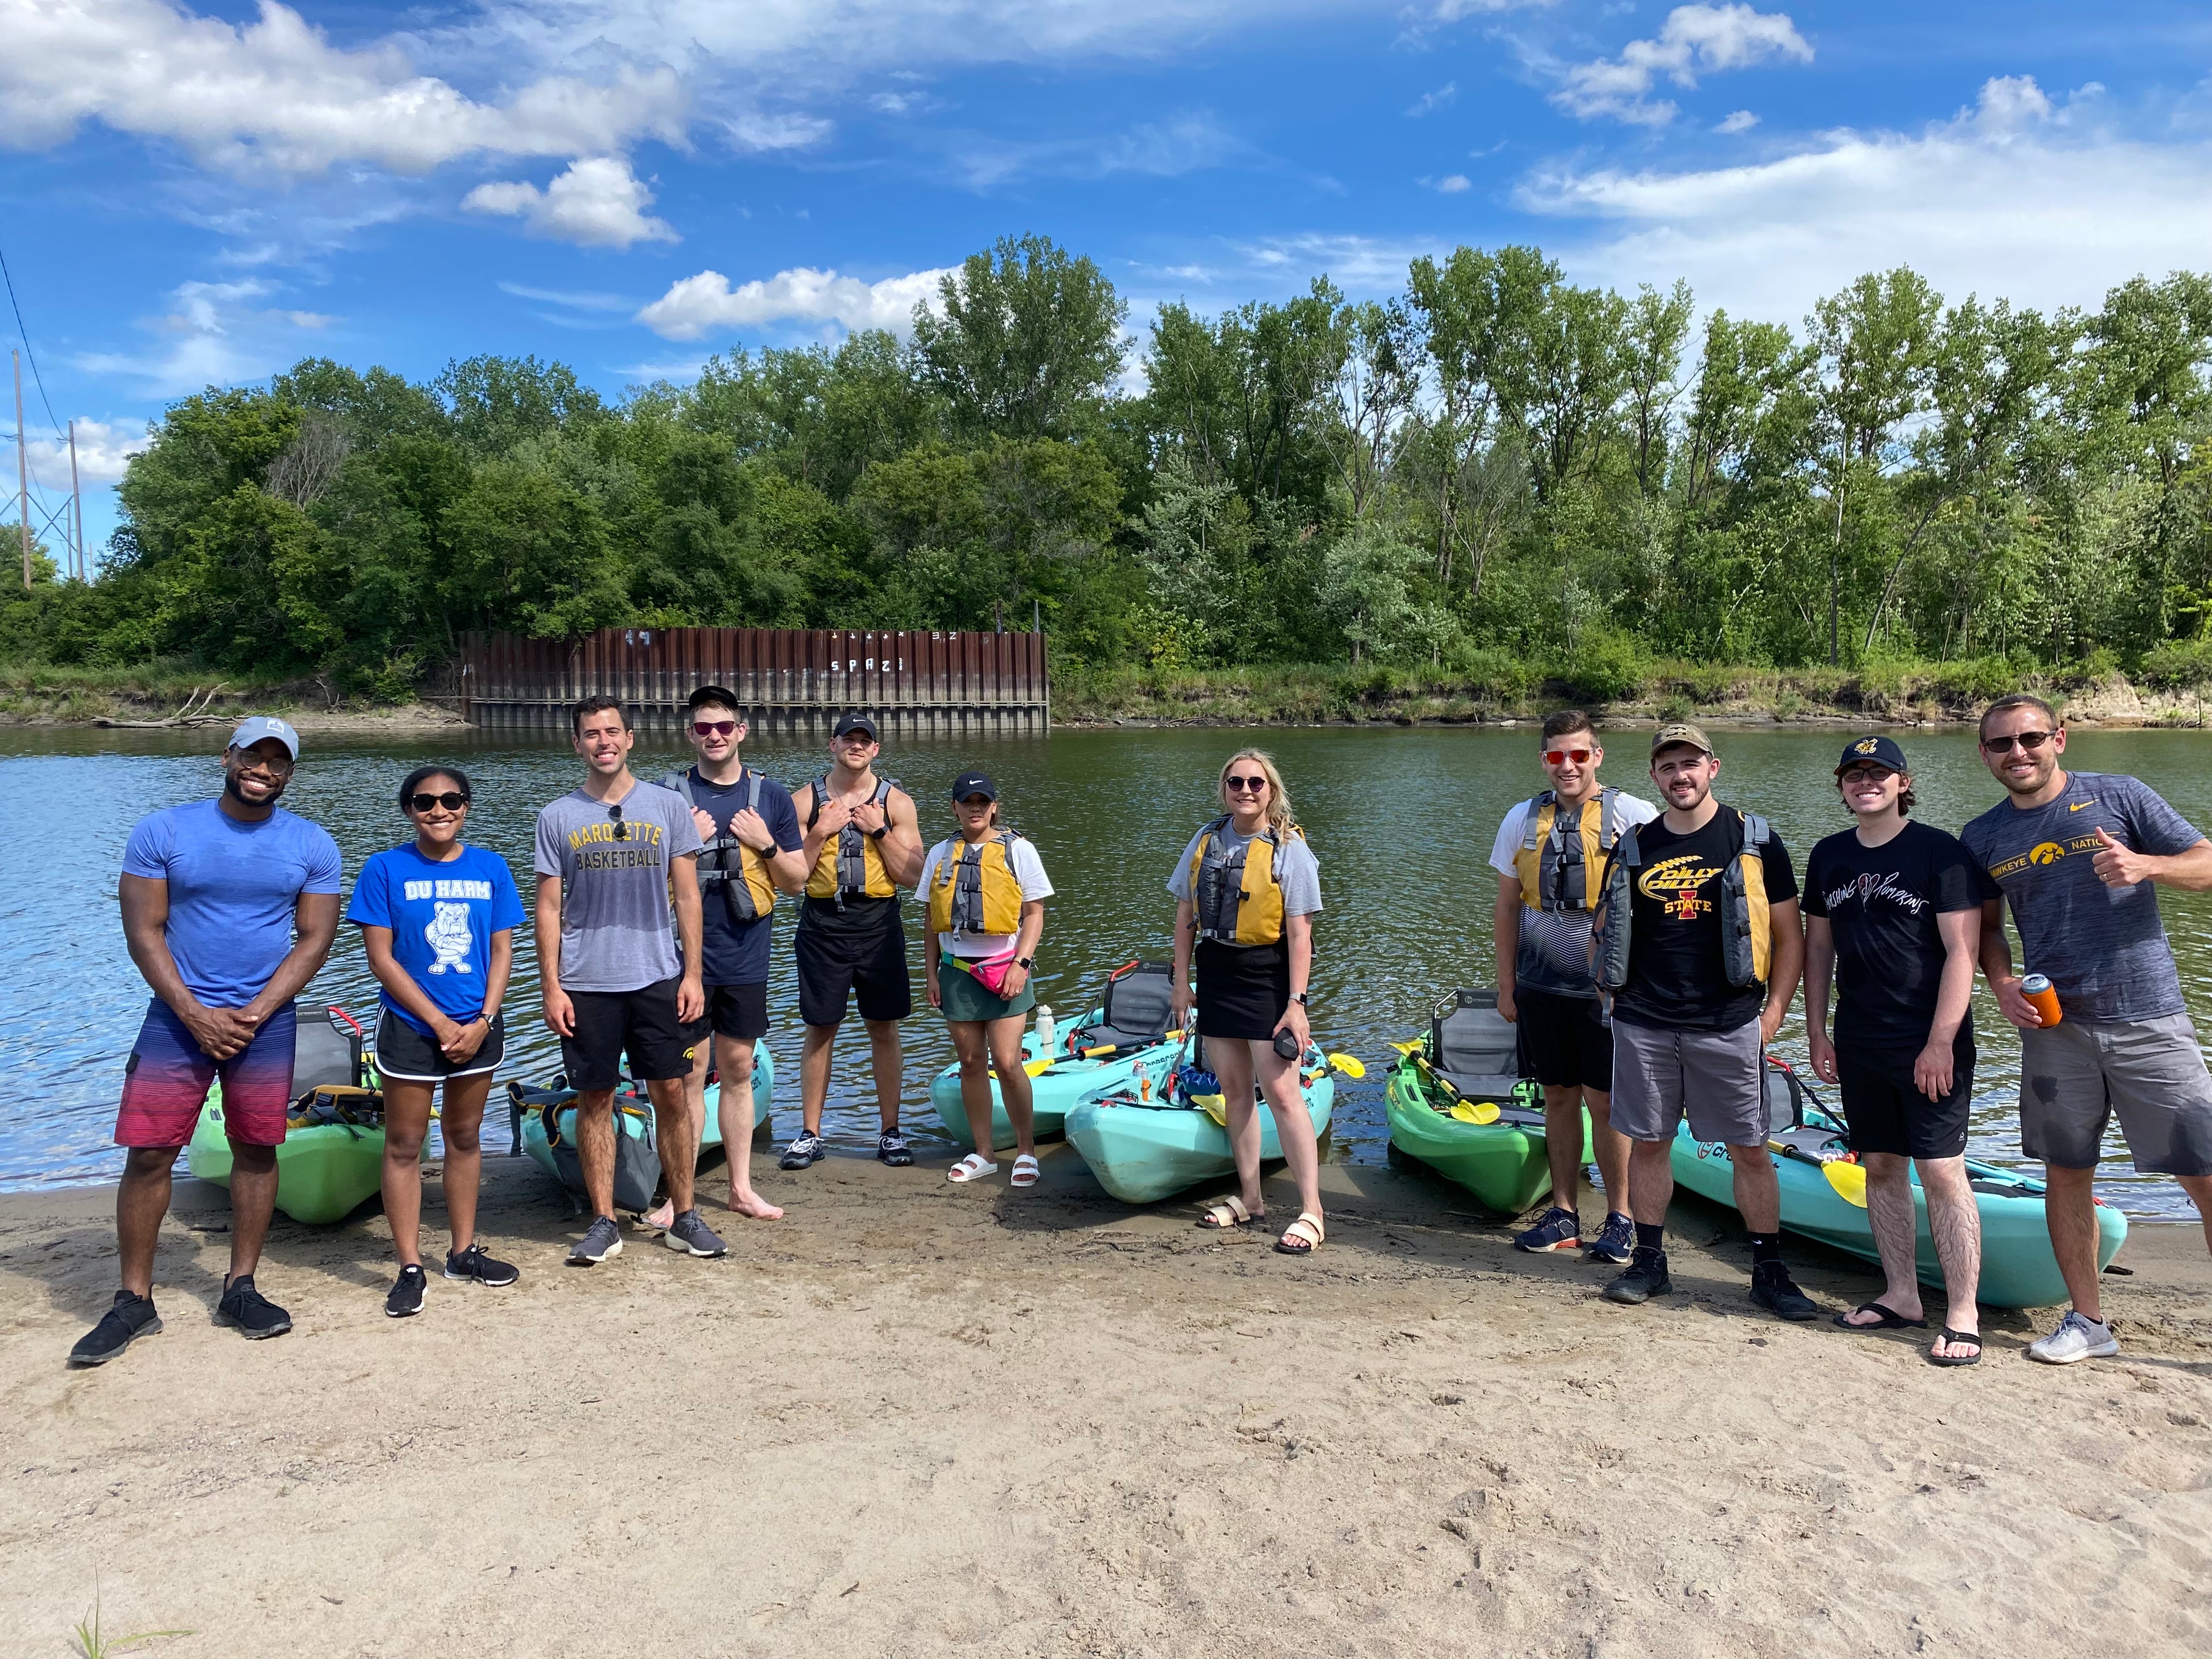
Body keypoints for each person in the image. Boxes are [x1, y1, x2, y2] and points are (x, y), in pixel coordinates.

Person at [70, 717, 342, 1366]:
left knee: (256, 1149)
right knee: (149, 1154)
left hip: (265, 1021)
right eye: (254, 756)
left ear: (289, 774)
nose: (263, 770)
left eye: (279, 762)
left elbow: (315, 939)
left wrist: (254, 1012)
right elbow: (145, 933)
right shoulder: (163, 831)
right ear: (229, 757)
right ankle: (134, 1300)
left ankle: (239, 1287)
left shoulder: (313, 844)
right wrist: (194, 1013)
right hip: (175, 1017)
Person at [1963, 693, 2212, 1364]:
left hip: (2148, 1018)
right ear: (1984, 755)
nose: (2018, 753)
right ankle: (2089, 1323)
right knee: (2066, 1172)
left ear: (2060, 740)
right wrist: (2003, 982)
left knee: (2206, 1170)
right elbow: (1987, 931)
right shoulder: (1982, 836)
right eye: (2002, 744)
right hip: (2056, 1031)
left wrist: (2148, 865)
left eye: (2031, 739)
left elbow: (2208, 862)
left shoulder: (2121, 796)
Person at [1590, 722, 1814, 1319]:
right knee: (1650, 1144)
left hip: (1730, 1020)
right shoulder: (1634, 844)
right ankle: (1649, 1262)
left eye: (1690, 763)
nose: (1680, 776)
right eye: (1668, 767)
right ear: (1654, 777)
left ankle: (1768, 1269)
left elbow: (1791, 939)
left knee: (1750, 1149)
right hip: (1645, 1020)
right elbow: (1605, 931)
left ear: (1713, 767)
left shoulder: (1754, 839)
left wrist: (1772, 1017)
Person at [1804, 737, 1991, 1365]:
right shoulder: (1828, 855)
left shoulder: (1940, 851)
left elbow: (1963, 952)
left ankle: (1963, 1310)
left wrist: (1940, 1041)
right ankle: (1902, 1295)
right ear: (1841, 787)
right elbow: (1819, 951)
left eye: (1878, 773)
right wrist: (1816, 1031)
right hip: (1859, 1038)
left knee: (1942, 1171)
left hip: (1929, 1040)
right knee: (1881, 1165)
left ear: (1903, 782)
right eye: (1854, 775)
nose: (1866, 783)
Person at [534, 694, 719, 1266]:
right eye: (591, 734)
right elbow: (546, 906)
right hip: (586, 980)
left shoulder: (667, 807)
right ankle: (602, 1221)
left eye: (612, 731)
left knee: (671, 1093)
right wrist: (551, 987)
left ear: (630, 738)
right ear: (578, 744)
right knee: (596, 1098)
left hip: (658, 975)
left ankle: (684, 1215)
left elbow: (687, 895)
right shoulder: (557, 816)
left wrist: (693, 973)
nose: (603, 742)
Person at [347, 766, 526, 1317]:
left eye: (451, 800)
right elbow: (382, 959)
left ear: (467, 806)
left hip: (478, 1025)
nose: (439, 810)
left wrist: (484, 1019)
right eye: (425, 802)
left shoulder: (491, 867)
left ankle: (463, 1251)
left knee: (465, 1135)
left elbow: (501, 952)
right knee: (404, 1144)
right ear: (409, 810)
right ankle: (409, 1265)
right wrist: (440, 1023)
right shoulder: (384, 869)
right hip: (410, 1026)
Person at [1488, 710, 1658, 1263]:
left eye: (1579, 755)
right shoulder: (1521, 817)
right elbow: (1508, 905)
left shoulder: (1633, 815)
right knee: (1557, 1096)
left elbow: (1661, 903)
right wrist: (1506, 986)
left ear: (1597, 757)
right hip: (1541, 985)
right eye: (1557, 756)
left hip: (1607, 988)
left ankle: (1621, 1218)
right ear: (1544, 759)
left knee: (1606, 1101)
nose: (1568, 766)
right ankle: (1563, 1213)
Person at [652, 688, 806, 1222]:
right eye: (702, 728)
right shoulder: (665, 797)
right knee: (690, 1073)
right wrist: (682, 840)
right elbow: (639, 881)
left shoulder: (772, 797)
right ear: (689, 734)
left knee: (738, 1067)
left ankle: (741, 1187)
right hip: (678, 961)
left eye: (723, 726)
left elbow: (796, 882)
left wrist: (766, 844)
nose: (713, 735)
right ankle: (680, 1195)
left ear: (741, 730)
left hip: (744, 955)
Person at [1169, 749, 1328, 1256]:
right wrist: (1180, 980)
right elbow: (1185, 916)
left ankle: (1312, 1211)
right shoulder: (1205, 841)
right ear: (1225, 788)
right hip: (1217, 972)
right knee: (1235, 1091)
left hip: (1268, 978)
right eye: (1236, 782)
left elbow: (1301, 936)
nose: (1246, 790)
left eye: (1256, 783)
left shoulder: (1289, 850)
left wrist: (1296, 1004)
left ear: (1271, 790)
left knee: (1282, 1095)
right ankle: (1252, 1198)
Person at [783, 714, 926, 1171]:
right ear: (833, 744)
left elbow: (915, 875)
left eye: (865, 741)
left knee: (884, 1027)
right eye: (849, 739)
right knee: (820, 1027)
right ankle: (810, 1134)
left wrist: (879, 831)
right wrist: (820, 831)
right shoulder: (804, 800)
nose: (857, 747)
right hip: (822, 926)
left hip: (879, 926)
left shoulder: (897, 803)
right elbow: (789, 878)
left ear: (876, 749)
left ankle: (890, 1131)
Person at [922, 771, 1052, 1187]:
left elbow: (1034, 914)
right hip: (957, 971)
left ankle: (1026, 1150)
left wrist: (1022, 963)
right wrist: (931, 973)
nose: (975, 808)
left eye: (983, 801)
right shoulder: (941, 852)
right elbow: (930, 919)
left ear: (994, 806)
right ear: (954, 807)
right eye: (967, 801)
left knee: (1009, 1062)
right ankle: (983, 1153)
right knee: (970, 1062)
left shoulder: (1020, 849)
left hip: (1006, 970)